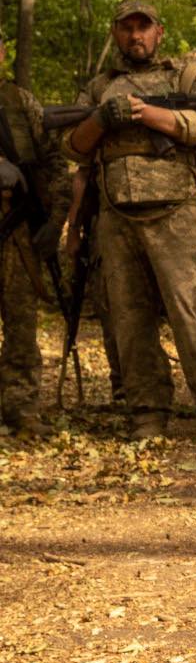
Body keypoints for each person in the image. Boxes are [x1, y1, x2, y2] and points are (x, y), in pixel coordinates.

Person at [62, 0, 196, 444]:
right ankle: (147, 411)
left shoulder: (183, 77)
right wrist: (103, 117)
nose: (135, 36)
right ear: (116, 33)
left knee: (191, 313)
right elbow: (72, 148)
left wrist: (147, 114)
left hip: (176, 215)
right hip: (117, 219)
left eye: (144, 27)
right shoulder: (100, 86)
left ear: (159, 32)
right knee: (129, 318)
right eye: (127, 28)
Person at [0, 41, 70, 436]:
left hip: (17, 230)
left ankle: (22, 409)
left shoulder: (19, 102)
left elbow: (53, 163)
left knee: (21, 322)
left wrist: (56, 220)